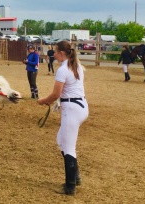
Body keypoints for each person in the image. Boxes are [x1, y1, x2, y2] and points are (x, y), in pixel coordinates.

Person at [37, 40, 89, 196]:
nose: (53, 54)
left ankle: (70, 186)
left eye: (54, 51)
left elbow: (55, 94)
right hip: (80, 106)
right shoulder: (76, 65)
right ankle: (76, 177)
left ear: (61, 53)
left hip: (71, 109)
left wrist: (43, 101)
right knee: (61, 140)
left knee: (68, 147)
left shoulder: (62, 69)